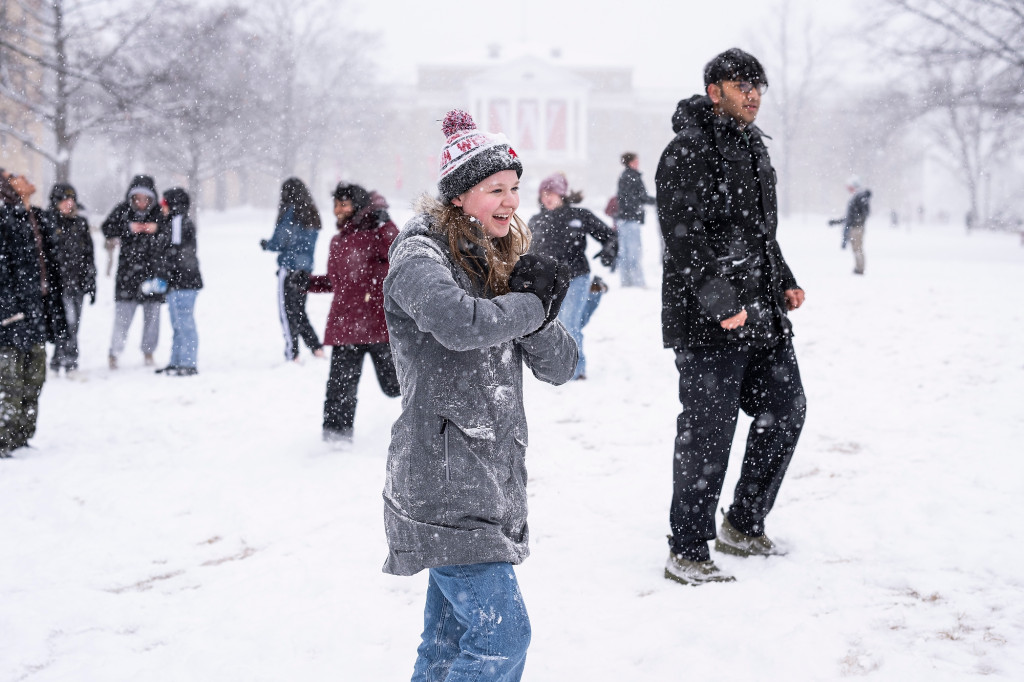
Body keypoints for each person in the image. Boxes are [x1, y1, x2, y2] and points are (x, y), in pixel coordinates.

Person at [382, 109, 576, 681]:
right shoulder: (418, 257)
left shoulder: (500, 261)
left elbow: (564, 367)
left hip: (490, 481)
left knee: (445, 647)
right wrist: (529, 306)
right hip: (442, 483)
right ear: (461, 196)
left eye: (515, 187)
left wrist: (537, 315)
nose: (512, 200)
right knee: (500, 638)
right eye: (496, 189)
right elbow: (458, 323)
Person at [655, 48, 807, 585]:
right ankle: (688, 551)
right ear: (714, 90)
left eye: (759, 86)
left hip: (764, 315)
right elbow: (683, 241)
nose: (754, 94)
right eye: (743, 85)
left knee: (787, 412)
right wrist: (722, 306)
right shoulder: (684, 152)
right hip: (708, 323)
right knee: (707, 435)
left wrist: (783, 278)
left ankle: (743, 524)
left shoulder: (754, 151)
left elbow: (761, 233)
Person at [308, 183, 400, 443]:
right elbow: (338, 281)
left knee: (397, 386)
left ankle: (431, 427)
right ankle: (335, 440)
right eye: (336, 204)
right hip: (345, 328)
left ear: (358, 206)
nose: (338, 209)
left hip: (379, 328)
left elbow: (400, 253)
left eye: (344, 203)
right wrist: (306, 283)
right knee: (339, 390)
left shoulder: (376, 234)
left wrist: (385, 221)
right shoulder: (337, 240)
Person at [528, 172, 617, 380]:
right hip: (548, 283)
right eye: (543, 193)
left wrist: (610, 249)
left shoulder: (579, 215)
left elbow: (609, 235)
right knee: (558, 325)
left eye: (551, 193)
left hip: (576, 276)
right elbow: (528, 253)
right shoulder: (536, 220)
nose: (546, 197)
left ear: (562, 194)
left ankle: (575, 371)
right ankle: (595, 293)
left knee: (569, 323)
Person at [0, 169, 58, 457]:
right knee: (9, 380)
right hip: (11, 315)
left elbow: (48, 264)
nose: (24, 177)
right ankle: (3, 439)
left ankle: (22, 434)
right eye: (13, 175)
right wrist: (9, 310)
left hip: (35, 309)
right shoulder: (4, 216)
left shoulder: (32, 215)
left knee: (34, 376)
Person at [101, 175, 169, 369]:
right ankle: (114, 353)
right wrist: (128, 228)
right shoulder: (122, 211)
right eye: (137, 198)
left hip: (153, 274)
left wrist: (156, 228)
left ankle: (149, 352)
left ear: (152, 198)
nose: (141, 203)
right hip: (127, 275)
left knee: (152, 318)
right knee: (122, 318)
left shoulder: (159, 213)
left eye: (145, 198)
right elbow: (107, 229)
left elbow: (172, 234)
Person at [260, 178, 325, 362]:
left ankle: (292, 353)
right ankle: (316, 348)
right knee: (299, 311)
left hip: (289, 269)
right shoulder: (311, 213)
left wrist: (268, 245)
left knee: (287, 313)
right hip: (305, 270)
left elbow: (280, 240)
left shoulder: (291, 213)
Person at [43, 183, 96, 374]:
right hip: (59, 283)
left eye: (72, 199)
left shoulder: (80, 223)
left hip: (78, 282)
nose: (69, 203)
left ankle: (62, 358)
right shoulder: (49, 224)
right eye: (65, 199)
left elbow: (88, 254)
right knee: (67, 322)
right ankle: (67, 357)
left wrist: (91, 280)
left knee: (75, 323)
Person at [157, 187, 203, 376]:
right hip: (179, 282)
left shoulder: (177, 222)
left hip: (183, 282)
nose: (162, 207)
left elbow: (175, 252)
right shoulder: (176, 222)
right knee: (178, 323)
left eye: (165, 203)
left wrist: (167, 274)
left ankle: (188, 362)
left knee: (184, 322)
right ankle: (177, 361)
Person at [615, 152, 655, 287]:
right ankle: (637, 282)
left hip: (623, 219)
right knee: (634, 253)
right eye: (637, 160)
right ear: (631, 162)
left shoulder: (622, 177)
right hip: (631, 219)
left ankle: (626, 282)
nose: (638, 163)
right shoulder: (633, 177)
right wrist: (659, 200)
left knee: (625, 253)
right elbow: (642, 196)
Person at [829, 176, 871, 275]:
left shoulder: (860, 196)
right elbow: (849, 216)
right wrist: (837, 222)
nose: (847, 189)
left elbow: (863, 213)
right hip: (854, 227)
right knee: (856, 248)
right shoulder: (856, 196)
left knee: (857, 248)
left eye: (849, 186)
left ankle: (860, 269)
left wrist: (857, 221)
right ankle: (858, 267)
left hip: (857, 228)